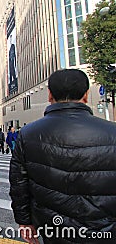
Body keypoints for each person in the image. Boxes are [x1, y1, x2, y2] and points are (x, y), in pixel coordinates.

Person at [9, 69, 116, 244]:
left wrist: (24, 221)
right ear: (86, 95)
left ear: (49, 95)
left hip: (52, 228)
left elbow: (19, 184)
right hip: (105, 230)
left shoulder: (28, 133)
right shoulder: (113, 132)